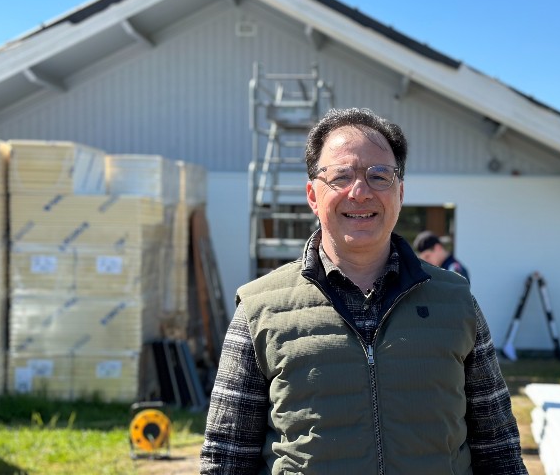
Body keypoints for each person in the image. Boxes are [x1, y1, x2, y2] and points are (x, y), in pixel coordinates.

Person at [200, 107, 527, 474]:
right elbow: (225, 459)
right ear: (312, 195)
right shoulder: (260, 307)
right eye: (340, 176)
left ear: (400, 193)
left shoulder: (456, 300)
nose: (360, 192)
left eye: (379, 176)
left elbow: (499, 450)